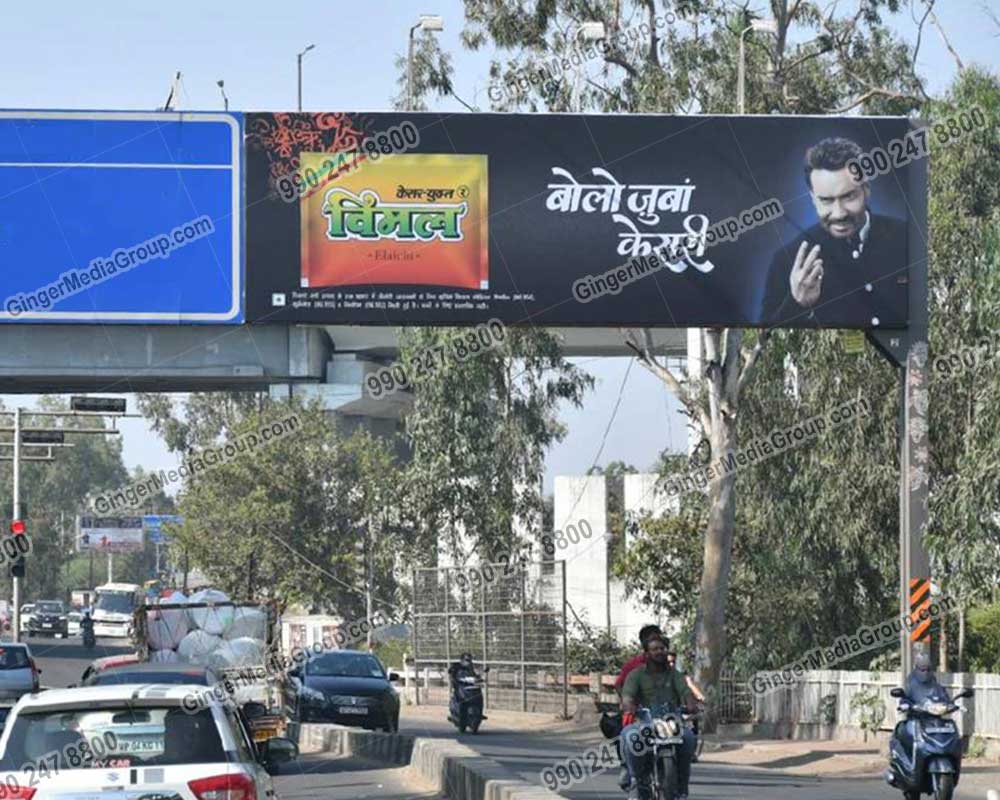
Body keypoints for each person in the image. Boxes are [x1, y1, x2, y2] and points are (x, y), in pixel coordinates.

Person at [761, 136, 908, 326]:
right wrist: (797, 304)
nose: (839, 214)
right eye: (826, 200)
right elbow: (765, 340)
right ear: (813, 198)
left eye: (849, 196)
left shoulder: (906, 238)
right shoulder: (785, 260)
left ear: (866, 189)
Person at [620, 634, 697, 800]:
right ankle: (635, 782)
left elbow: (686, 692)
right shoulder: (636, 675)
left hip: (672, 722)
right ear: (646, 653)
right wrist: (629, 705)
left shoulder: (674, 674)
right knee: (630, 737)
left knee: (689, 738)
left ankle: (682, 789)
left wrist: (691, 703)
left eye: (662, 649)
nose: (659, 652)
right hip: (645, 722)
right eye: (654, 649)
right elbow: (627, 696)